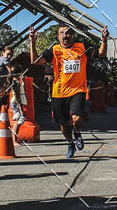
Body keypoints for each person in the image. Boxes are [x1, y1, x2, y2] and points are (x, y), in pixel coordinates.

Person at [29, 23, 109, 158]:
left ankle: (77, 133)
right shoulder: (54, 50)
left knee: (77, 118)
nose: (65, 35)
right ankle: (70, 143)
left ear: (72, 35)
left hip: (78, 90)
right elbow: (34, 61)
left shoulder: (82, 47)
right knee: (64, 123)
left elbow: (101, 53)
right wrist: (32, 42)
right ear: (58, 36)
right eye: (62, 33)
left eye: (68, 33)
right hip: (59, 92)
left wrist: (104, 40)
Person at [8, 64, 26, 145]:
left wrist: (23, 81)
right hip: (16, 102)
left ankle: (15, 139)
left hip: (16, 102)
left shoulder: (17, 81)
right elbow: (18, 96)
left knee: (18, 121)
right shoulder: (16, 83)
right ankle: (14, 140)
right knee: (17, 122)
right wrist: (20, 108)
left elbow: (22, 91)